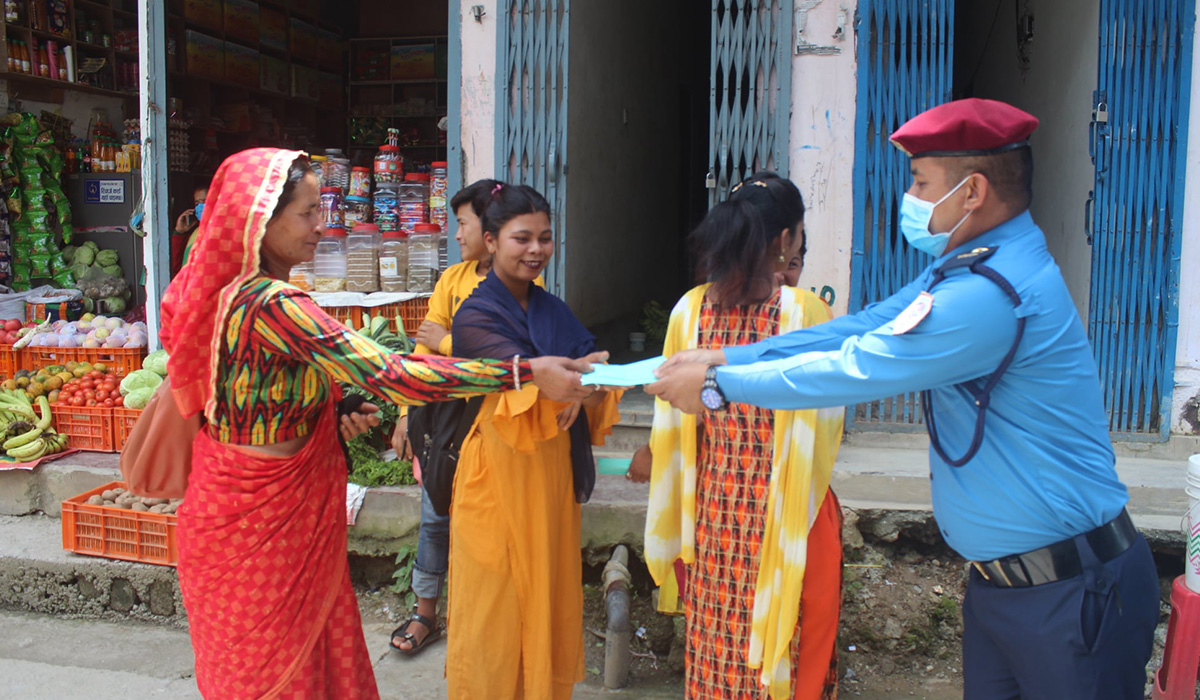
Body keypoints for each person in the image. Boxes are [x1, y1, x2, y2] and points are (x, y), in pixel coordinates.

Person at [647, 99, 1159, 700]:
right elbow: (860, 328)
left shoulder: (991, 294)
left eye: (921, 183)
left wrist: (717, 388)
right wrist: (727, 357)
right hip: (1005, 591)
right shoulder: (963, 268)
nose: (909, 197)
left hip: (1071, 595)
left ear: (972, 192)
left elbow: (860, 368)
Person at [158, 149, 598, 699]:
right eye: (308, 213)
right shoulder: (272, 303)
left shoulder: (231, 295)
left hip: (244, 504)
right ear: (259, 222)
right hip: (260, 520)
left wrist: (327, 404)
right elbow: (392, 374)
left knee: (288, 660)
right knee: (268, 673)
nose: (323, 225)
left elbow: (243, 388)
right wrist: (523, 371)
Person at [631, 174, 844, 700]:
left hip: (712, 511)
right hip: (788, 511)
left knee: (715, 640)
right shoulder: (803, 312)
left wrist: (655, 455)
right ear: (787, 240)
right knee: (792, 634)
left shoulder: (690, 309)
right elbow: (824, 425)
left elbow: (672, 419)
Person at [443, 183, 622, 699]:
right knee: (493, 612)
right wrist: (571, 381)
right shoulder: (475, 315)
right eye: (522, 238)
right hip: (497, 476)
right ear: (492, 241)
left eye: (545, 238)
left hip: (549, 479)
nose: (536, 250)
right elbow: (531, 379)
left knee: (545, 600)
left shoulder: (553, 310)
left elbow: (596, 373)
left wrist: (582, 387)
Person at [388, 177, 544, 655]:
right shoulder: (451, 280)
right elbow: (422, 349)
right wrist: (404, 411)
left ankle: (488, 620)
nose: (457, 235)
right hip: (443, 420)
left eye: (463, 224)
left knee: (494, 527)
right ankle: (425, 614)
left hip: (496, 422)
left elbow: (509, 356)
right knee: (435, 516)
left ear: (490, 230)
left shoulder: (523, 283)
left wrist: (448, 342)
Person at [171, 186, 206, 274]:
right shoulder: (194, 233)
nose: (200, 206)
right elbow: (175, 266)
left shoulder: (223, 230)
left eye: (205, 201)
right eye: (197, 203)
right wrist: (179, 232)